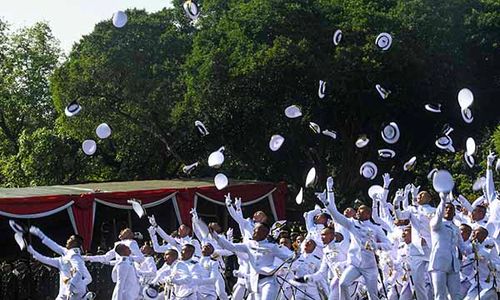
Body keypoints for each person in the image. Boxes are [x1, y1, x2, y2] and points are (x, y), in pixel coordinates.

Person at [320, 176, 392, 300]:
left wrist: (376, 246)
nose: (357, 212)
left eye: (360, 211)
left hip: (370, 267)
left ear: (368, 214)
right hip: (355, 265)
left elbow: (389, 244)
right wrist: (326, 202)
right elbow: (336, 216)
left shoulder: (376, 229)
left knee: (373, 295)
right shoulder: (352, 224)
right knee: (343, 283)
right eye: (357, 210)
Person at [213, 222, 294, 300]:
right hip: (254, 283)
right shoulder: (248, 245)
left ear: (264, 233)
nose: (253, 231)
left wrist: (295, 256)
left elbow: (288, 259)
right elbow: (231, 247)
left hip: (268, 282)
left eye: (256, 230)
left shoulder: (272, 247)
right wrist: (215, 236)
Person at [27, 234, 92, 300]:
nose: (67, 240)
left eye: (70, 239)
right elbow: (47, 260)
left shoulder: (77, 259)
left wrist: (76, 285)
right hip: (62, 295)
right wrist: (35, 254)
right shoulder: (61, 260)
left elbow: (88, 278)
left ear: (75, 243)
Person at [428, 192, 468, 300]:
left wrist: (475, 248)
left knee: (457, 295)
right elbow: (438, 215)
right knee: (440, 295)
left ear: (455, 213)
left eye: (451, 209)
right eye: (446, 208)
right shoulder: (436, 224)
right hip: (438, 263)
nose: (448, 210)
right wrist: (443, 201)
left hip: (453, 265)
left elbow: (463, 247)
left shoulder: (456, 228)